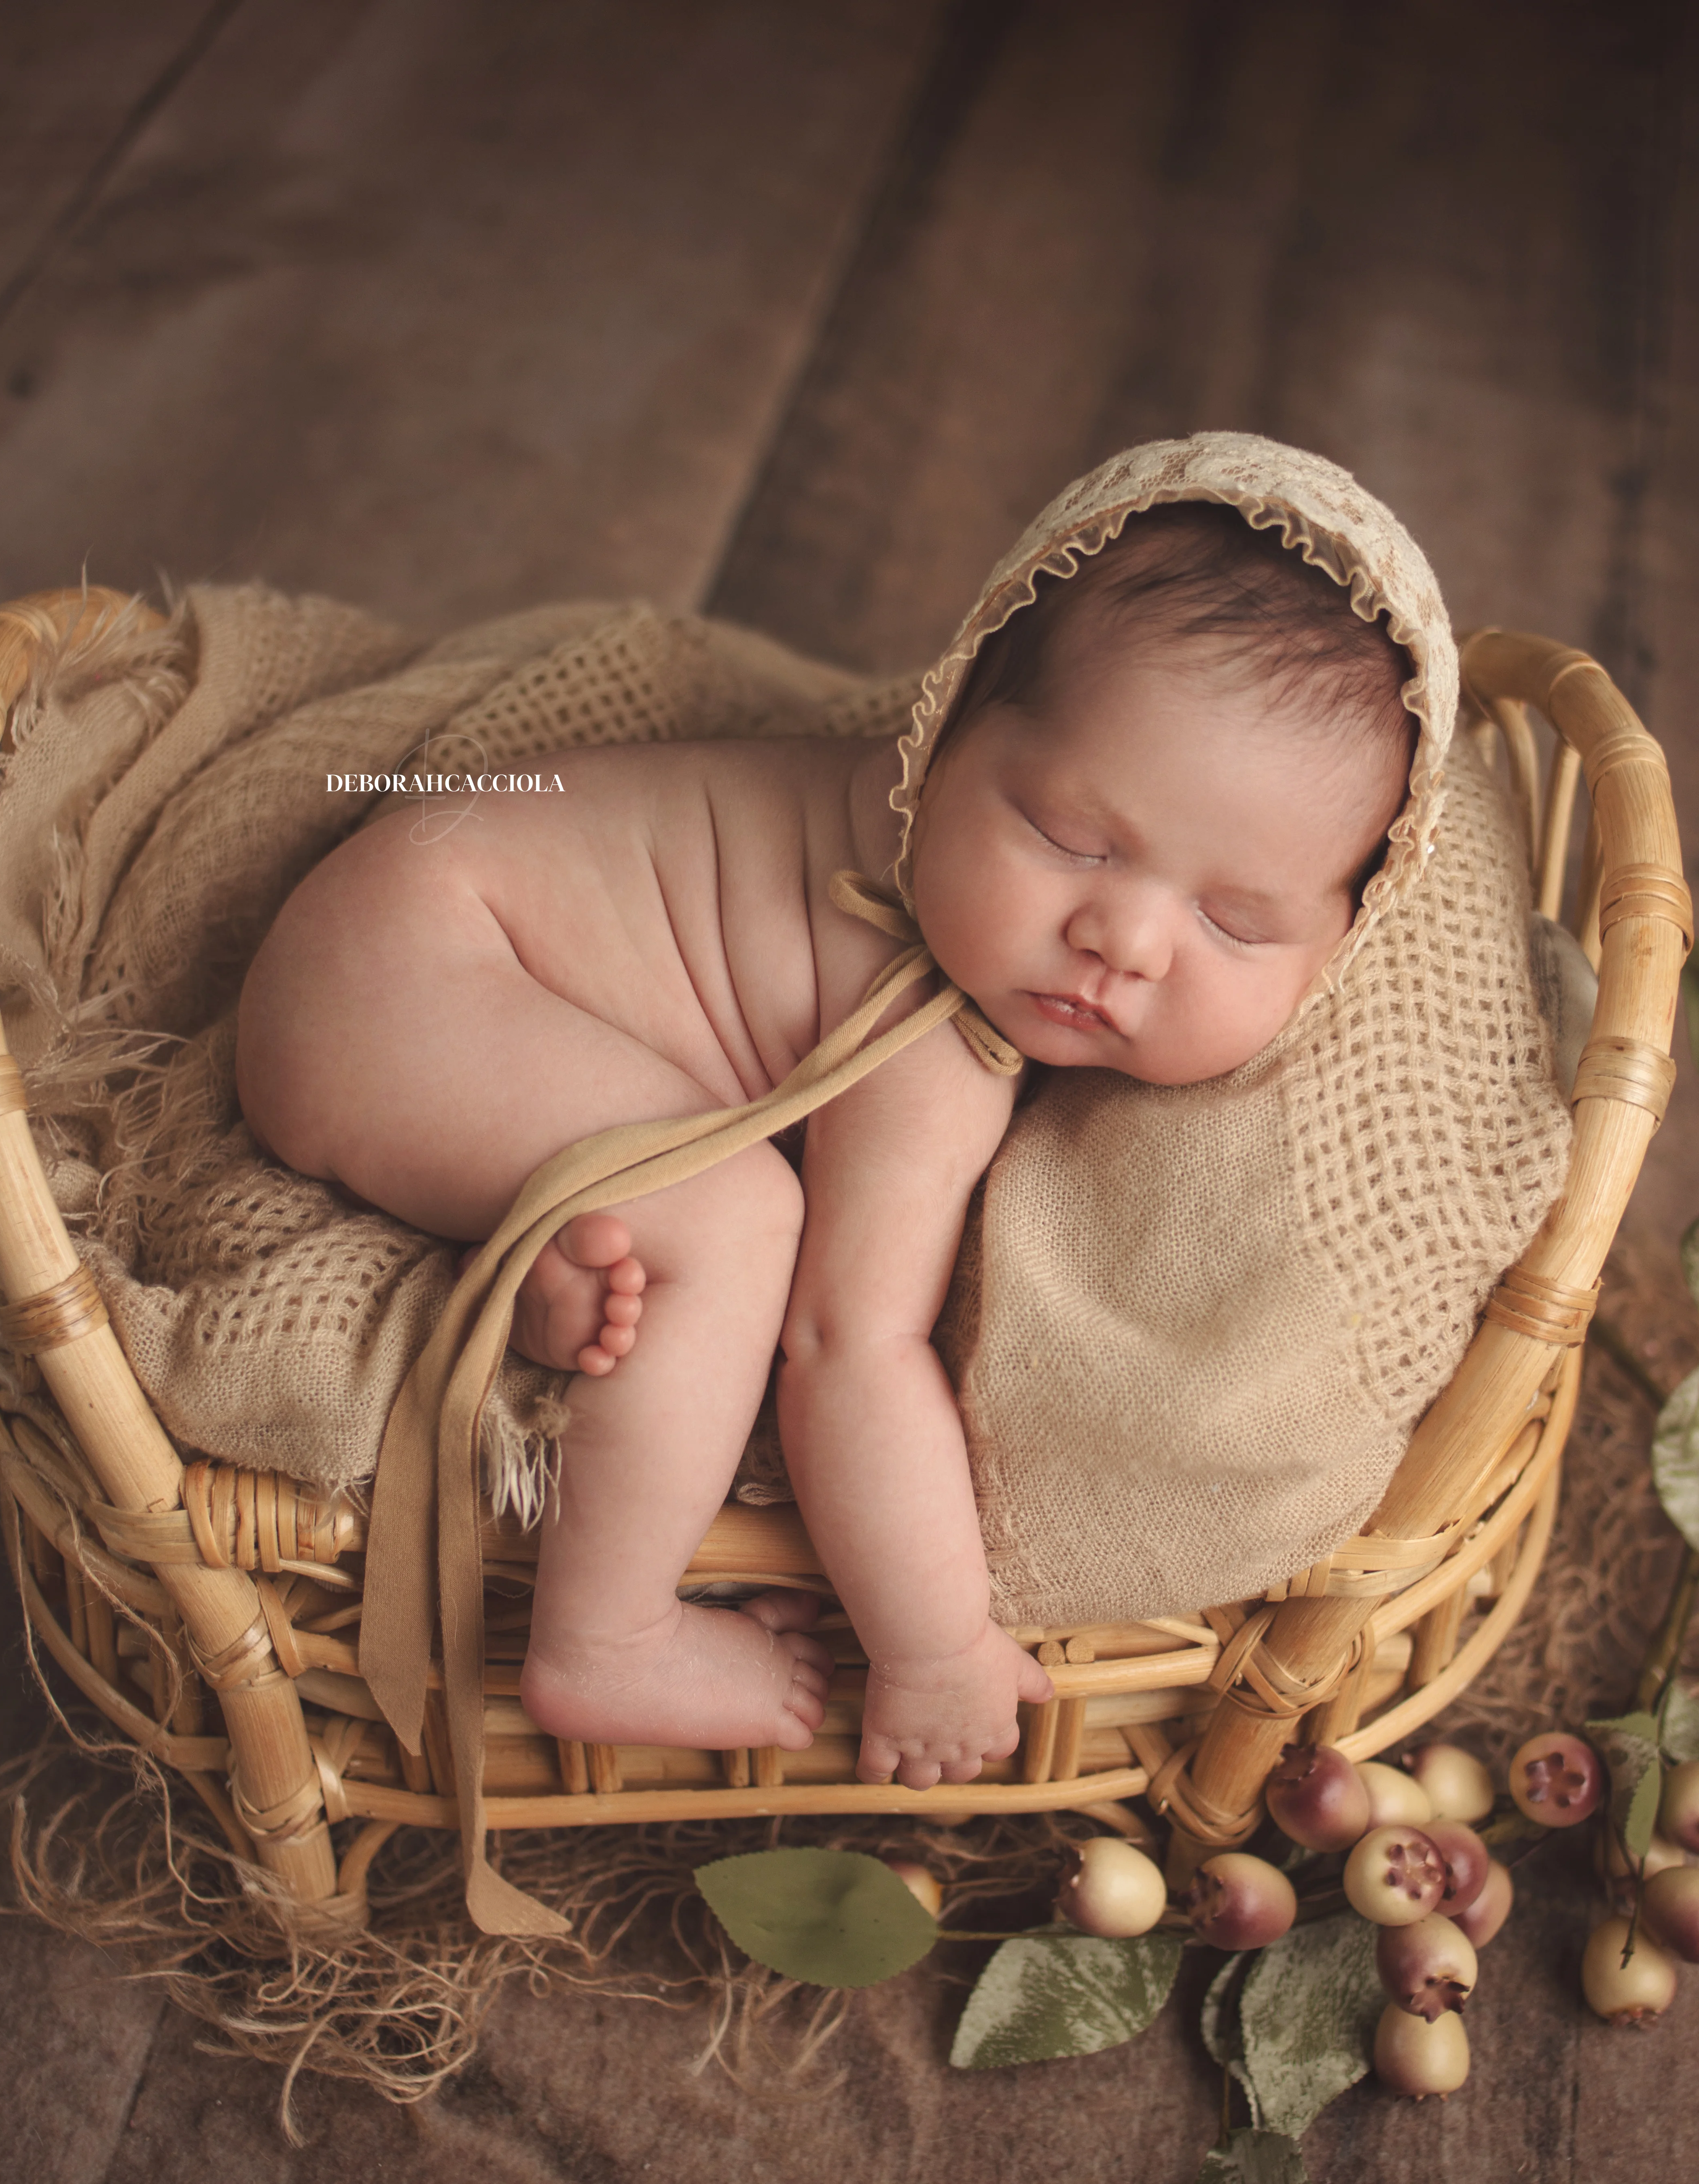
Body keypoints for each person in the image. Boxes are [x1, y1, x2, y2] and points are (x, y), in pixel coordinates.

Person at [236, 503, 1415, 1790]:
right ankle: (604, 1633)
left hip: (425, 966)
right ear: (951, 726)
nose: (1124, 942)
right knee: (733, 1218)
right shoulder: (922, 1026)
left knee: (655, 1204)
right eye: (1072, 841)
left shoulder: (964, 875)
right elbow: (846, 1347)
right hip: (407, 970)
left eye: (1236, 924)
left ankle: (534, 1258)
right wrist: (938, 1643)